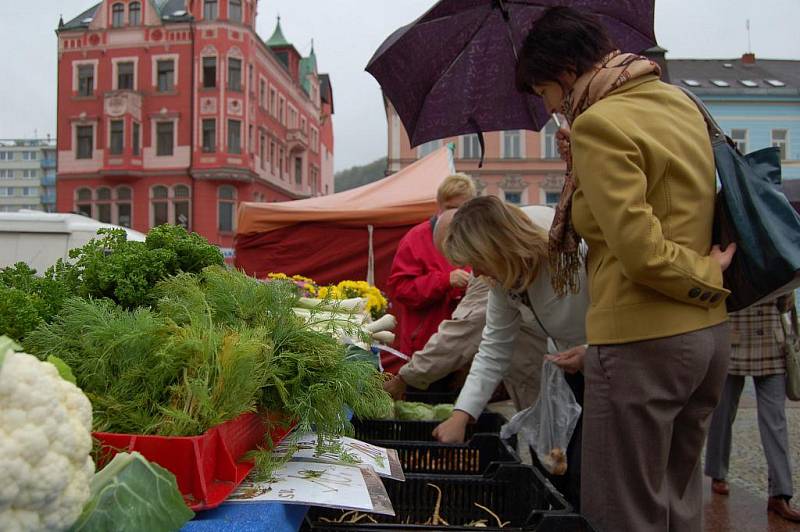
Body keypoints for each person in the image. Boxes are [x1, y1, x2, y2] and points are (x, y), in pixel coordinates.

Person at [515, 7, 736, 532]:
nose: (550, 109)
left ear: (566, 71)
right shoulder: (675, 100)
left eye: (544, 93)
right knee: (679, 503)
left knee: (623, 513)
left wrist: (709, 273)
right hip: (707, 339)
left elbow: (642, 250)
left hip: (644, 341)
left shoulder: (599, 122)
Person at [431, 197, 589, 505]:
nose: (475, 272)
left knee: (589, 474)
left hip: (605, 365)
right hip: (567, 368)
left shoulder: (565, 251)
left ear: (496, 247)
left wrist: (592, 351)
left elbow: (610, 309)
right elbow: (494, 346)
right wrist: (462, 414)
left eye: (476, 261)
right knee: (564, 470)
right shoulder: (503, 273)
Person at [384, 206, 556, 412]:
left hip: (552, 366)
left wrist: (407, 377)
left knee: (556, 429)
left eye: (471, 261)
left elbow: (466, 331)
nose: (474, 271)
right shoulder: (523, 227)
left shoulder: (496, 267)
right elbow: (491, 343)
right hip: (557, 359)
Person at [705, 294, 800, 522]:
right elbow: (785, 302)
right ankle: (721, 474)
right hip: (743, 339)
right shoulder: (778, 257)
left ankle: (779, 493)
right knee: (730, 414)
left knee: (728, 413)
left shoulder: (729, 258)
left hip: (750, 338)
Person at [383, 173, 476, 374]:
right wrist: (445, 281)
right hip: (424, 350)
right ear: (439, 206)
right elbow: (401, 290)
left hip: (466, 349)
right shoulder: (415, 238)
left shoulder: (475, 238)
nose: (457, 214)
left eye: (463, 208)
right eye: (452, 208)